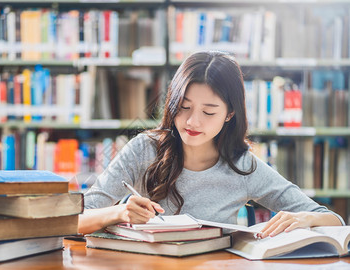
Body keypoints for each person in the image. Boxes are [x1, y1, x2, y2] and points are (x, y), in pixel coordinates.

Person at [78, 51, 344, 237]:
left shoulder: (243, 167)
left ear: (229, 114)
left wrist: (306, 218)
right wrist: (119, 213)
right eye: (184, 107)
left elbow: (334, 220)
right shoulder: (142, 150)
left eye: (208, 112)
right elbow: (75, 220)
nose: (193, 122)